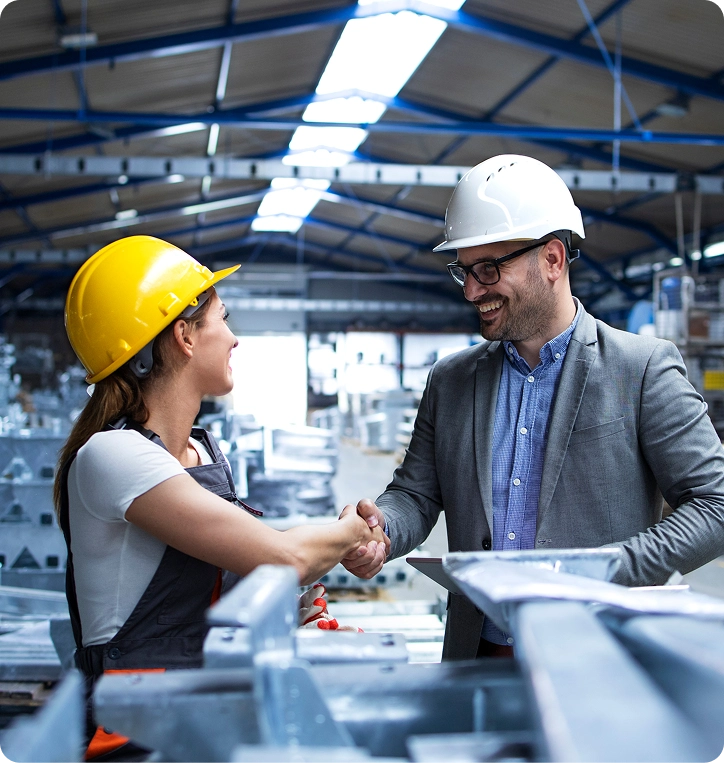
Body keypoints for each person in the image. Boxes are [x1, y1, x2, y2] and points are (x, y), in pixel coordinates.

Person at [342, 154, 724, 661]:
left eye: (489, 268)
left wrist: (609, 569)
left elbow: (714, 503)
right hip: (478, 653)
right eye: (465, 271)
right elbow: (414, 493)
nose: (473, 290)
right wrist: (381, 531)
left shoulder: (641, 368)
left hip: (600, 657)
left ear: (552, 260)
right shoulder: (451, 380)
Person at [56, 235, 387, 759]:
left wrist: (276, 617)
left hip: (200, 717)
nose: (234, 339)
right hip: (138, 734)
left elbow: (207, 599)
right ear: (184, 336)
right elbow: (286, 556)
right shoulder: (112, 456)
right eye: (223, 318)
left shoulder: (199, 452)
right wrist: (352, 528)